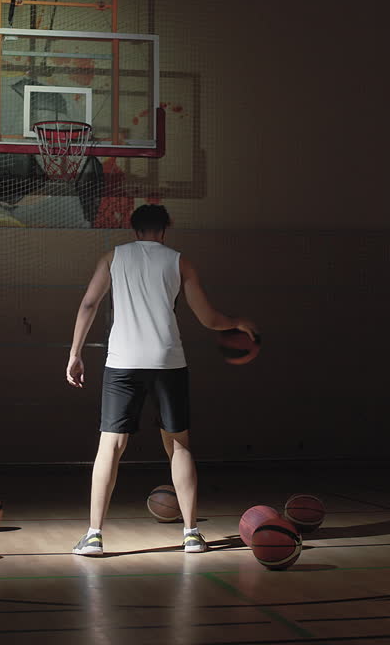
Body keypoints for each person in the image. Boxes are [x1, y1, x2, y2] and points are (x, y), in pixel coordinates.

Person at [66, 204, 257, 556]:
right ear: (165, 229)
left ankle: (94, 535)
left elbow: (89, 305)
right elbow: (207, 317)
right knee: (178, 445)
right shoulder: (179, 261)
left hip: (122, 361)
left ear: (134, 228)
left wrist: (76, 352)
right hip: (168, 361)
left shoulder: (113, 257)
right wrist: (236, 322)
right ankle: (191, 534)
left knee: (110, 446)